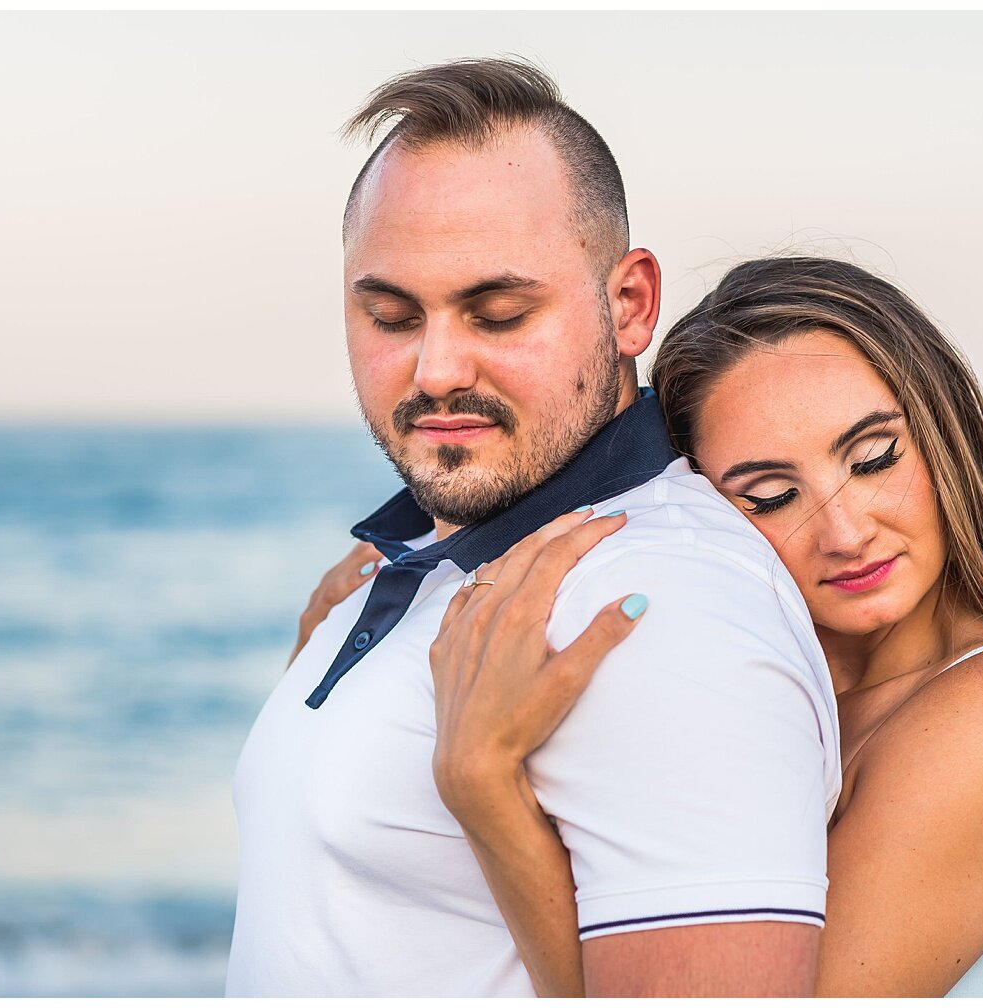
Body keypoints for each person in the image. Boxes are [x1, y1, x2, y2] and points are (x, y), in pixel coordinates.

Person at [295, 257, 983, 996]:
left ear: (947, 436)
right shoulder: (781, 701)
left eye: (873, 458)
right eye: (769, 496)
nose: (844, 530)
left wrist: (485, 787)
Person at [225, 60, 841, 997]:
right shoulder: (429, 555)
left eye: (498, 313)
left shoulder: (656, 607)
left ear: (629, 305)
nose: (434, 369)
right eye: (390, 314)